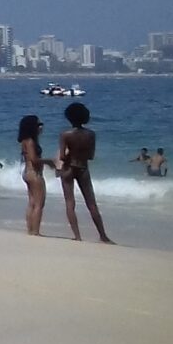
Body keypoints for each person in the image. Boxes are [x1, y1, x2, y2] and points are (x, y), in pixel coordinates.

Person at [56, 102, 112, 243]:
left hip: (69, 168)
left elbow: (62, 156)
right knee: (91, 203)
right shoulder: (91, 134)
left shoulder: (65, 134)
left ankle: (77, 236)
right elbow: (91, 156)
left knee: (70, 202)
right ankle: (103, 235)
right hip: (83, 168)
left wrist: (69, 156)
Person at [19, 114, 53, 236]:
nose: (41, 127)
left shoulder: (25, 141)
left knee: (32, 203)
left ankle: (31, 230)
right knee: (39, 203)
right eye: (39, 124)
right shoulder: (31, 142)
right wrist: (49, 161)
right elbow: (34, 159)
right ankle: (36, 231)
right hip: (34, 173)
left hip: (27, 172)